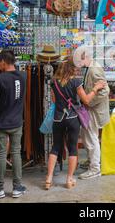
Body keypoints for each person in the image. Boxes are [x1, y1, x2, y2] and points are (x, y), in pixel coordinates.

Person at [44, 56, 106, 190]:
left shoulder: (54, 82)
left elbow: (54, 101)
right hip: (72, 118)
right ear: (71, 68)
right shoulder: (76, 82)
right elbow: (86, 100)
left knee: (55, 147)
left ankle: (48, 179)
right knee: (72, 149)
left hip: (58, 118)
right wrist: (95, 89)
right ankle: (69, 179)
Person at [0, 49, 26, 199]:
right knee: (16, 153)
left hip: (2, 123)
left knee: (1, 155)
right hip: (17, 122)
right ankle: (17, 188)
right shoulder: (23, 76)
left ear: (2, 61)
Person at [78, 49, 110, 180]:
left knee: (91, 138)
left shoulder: (94, 70)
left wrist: (89, 102)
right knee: (89, 136)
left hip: (94, 110)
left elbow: (104, 91)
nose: (78, 63)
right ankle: (92, 161)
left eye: (80, 59)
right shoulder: (91, 67)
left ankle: (95, 168)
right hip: (93, 109)